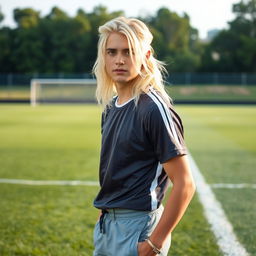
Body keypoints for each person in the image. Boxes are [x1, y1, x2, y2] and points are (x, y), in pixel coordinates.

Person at [92, 16, 196, 256]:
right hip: (108, 226)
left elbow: (185, 184)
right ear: (103, 57)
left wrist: (153, 244)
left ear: (146, 56)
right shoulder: (110, 107)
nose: (119, 60)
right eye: (112, 52)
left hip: (139, 229)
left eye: (128, 52)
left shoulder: (153, 109)